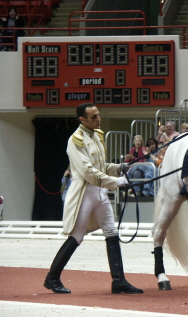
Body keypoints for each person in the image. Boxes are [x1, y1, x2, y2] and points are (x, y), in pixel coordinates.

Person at [44, 103, 143, 295]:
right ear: (82, 120)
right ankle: (52, 278)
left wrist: (118, 167)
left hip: (100, 192)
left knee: (111, 232)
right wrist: (116, 181)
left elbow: (100, 165)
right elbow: (88, 172)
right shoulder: (76, 140)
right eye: (94, 117)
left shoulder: (97, 135)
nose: (99, 119)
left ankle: (119, 281)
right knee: (77, 236)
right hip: (84, 193)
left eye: (98, 115)